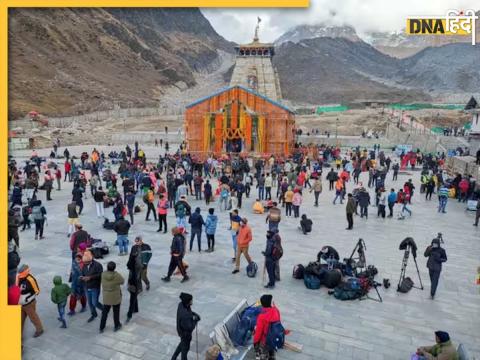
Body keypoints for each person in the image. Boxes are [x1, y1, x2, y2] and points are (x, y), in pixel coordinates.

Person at [172, 292, 201, 360]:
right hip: (185, 334)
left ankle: (173, 357)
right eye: (191, 300)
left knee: (182, 344)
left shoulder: (181, 304)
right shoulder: (185, 316)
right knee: (185, 350)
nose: (192, 301)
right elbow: (190, 327)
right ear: (188, 302)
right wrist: (195, 320)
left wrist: (195, 315)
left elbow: (189, 312)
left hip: (181, 331)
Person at [18, 264, 44, 337]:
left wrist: (27, 298)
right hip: (20, 303)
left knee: (33, 317)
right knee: (20, 320)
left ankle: (40, 329)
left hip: (29, 304)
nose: (19, 274)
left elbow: (37, 291)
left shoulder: (30, 279)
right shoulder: (18, 278)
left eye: (21, 272)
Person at [253, 295, 281, 360]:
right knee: (272, 354)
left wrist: (255, 342)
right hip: (273, 339)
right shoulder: (276, 310)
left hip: (265, 340)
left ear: (262, 305)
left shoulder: (262, 316)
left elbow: (258, 333)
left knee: (262, 355)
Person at [100, 261, 125, 333]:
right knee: (116, 312)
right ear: (114, 268)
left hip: (106, 297)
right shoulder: (116, 275)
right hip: (115, 297)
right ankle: (117, 325)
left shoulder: (103, 274)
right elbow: (122, 281)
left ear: (107, 267)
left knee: (105, 312)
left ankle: (101, 327)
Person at [81, 250, 104, 322]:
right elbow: (83, 273)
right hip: (86, 286)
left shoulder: (98, 265)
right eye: (85, 262)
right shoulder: (84, 265)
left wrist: (90, 277)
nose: (85, 264)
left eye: (87, 262)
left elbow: (100, 275)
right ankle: (94, 314)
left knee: (95, 302)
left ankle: (104, 309)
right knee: (90, 303)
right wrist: (82, 277)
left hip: (95, 287)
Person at [126, 242, 143, 322]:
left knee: (132, 296)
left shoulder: (134, 262)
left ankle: (130, 313)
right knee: (133, 295)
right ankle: (135, 308)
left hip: (134, 280)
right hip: (135, 279)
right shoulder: (136, 261)